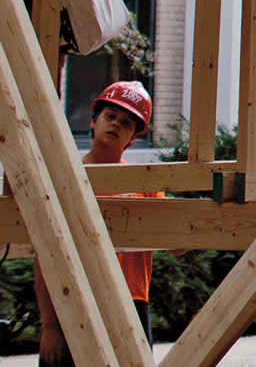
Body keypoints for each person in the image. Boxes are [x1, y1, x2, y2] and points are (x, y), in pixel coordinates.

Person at [38, 81, 163, 364]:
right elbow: (44, 257)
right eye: (110, 116)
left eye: (127, 122)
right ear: (93, 122)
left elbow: (179, 245)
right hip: (72, 299)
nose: (116, 124)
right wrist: (50, 327)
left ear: (133, 138)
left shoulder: (145, 182)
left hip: (129, 303)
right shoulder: (64, 178)